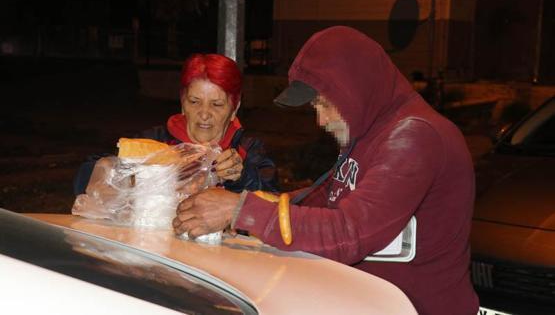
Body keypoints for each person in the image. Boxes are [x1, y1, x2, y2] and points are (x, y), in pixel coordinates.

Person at [172, 26, 479, 315]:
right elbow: (323, 198)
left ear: (354, 89)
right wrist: (240, 207)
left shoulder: (414, 137)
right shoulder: (371, 130)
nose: (320, 120)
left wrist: (240, 211)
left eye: (323, 104)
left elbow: (349, 232)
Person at [73, 53, 278, 194]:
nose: (204, 114)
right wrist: (137, 176)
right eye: (194, 102)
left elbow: (274, 203)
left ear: (234, 108)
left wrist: (242, 177)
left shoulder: (248, 151)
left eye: (217, 104)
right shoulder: (156, 141)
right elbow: (86, 176)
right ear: (182, 103)